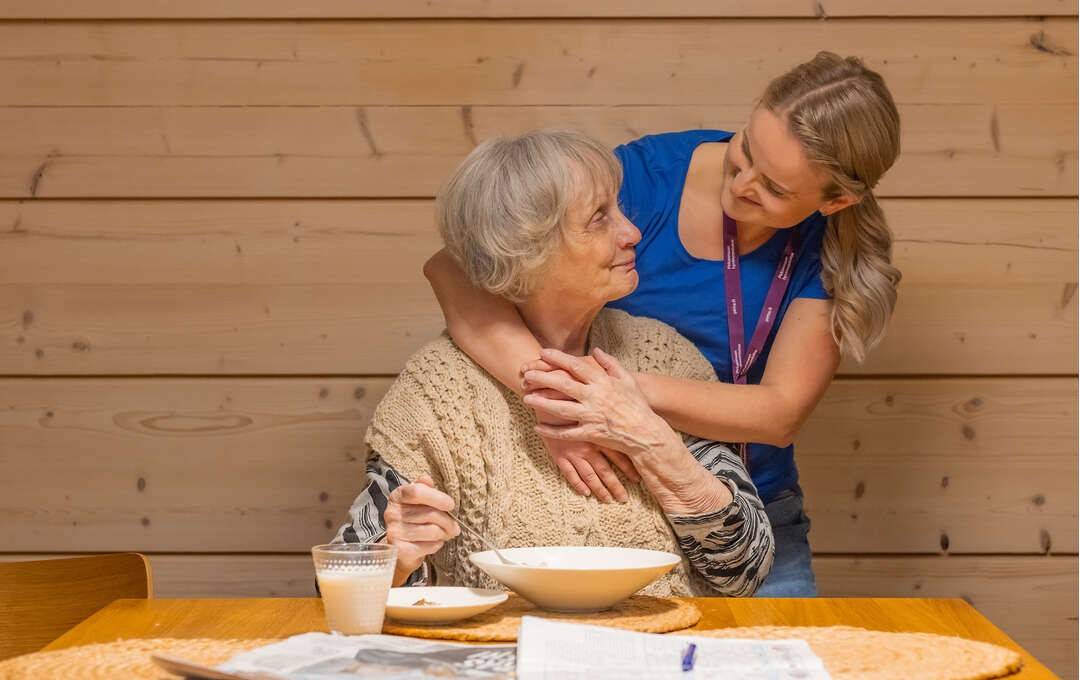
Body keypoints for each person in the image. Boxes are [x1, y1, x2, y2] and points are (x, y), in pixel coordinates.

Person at [422, 52, 903, 596]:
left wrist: (618, 399)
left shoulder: (831, 248)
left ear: (836, 200)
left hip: (754, 512)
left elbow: (779, 412)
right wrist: (556, 399)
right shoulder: (647, 176)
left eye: (773, 188)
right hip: (629, 504)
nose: (741, 182)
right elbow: (456, 265)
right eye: (743, 150)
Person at [332, 129, 773, 597]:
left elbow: (744, 571)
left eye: (619, 209)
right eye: (600, 218)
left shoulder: (664, 355)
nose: (633, 233)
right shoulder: (438, 388)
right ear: (528, 250)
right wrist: (397, 557)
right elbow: (345, 584)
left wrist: (654, 446)